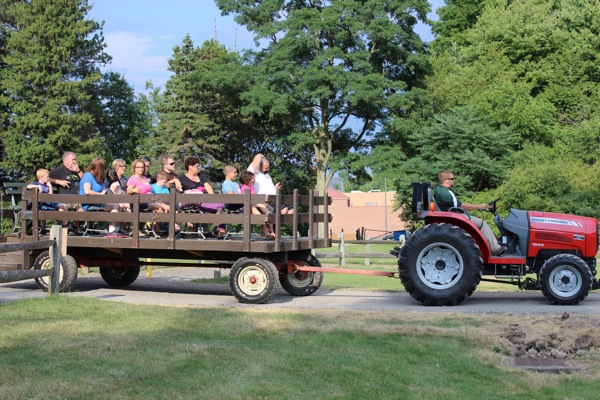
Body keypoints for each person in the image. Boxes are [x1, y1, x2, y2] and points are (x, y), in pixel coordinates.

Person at [433, 170, 506, 256]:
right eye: (452, 178)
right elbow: (461, 206)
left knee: (477, 221)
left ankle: (497, 243)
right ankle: (496, 249)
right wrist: (479, 206)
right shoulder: (445, 193)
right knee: (481, 223)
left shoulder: (441, 190)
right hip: (454, 216)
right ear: (446, 180)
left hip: (453, 214)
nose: (454, 180)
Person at [79, 157, 127, 237]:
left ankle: (117, 230)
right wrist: (101, 194)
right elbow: (87, 191)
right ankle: (111, 231)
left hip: (98, 202)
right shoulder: (88, 176)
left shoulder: (98, 178)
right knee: (115, 205)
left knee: (119, 205)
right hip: (90, 204)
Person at [178, 156, 224, 237]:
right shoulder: (182, 178)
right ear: (190, 167)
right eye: (197, 166)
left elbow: (208, 187)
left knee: (220, 203)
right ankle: (218, 228)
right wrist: (175, 180)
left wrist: (212, 198)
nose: (199, 167)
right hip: (192, 202)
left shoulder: (200, 175)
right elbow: (171, 185)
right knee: (209, 208)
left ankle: (218, 226)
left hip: (205, 200)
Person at [128, 159, 167, 235]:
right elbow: (128, 191)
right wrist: (134, 190)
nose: (141, 169)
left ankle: (151, 228)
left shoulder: (145, 178)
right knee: (160, 210)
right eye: (138, 167)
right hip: (140, 202)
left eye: (142, 167)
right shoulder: (133, 178)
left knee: (167, 208)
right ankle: (155, 229)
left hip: (151, 199)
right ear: (134, 168)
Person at [48, 151, 84, 232]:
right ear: (66, 160)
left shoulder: (78, 169)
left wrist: (78, 171)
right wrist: (58, 182)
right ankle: (66, 226)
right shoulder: (58, 170)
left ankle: (75, 225)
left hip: (78, 199)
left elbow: (86, 181)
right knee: (62, 207)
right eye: (73, 160)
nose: (75, 162)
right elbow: (47, 179)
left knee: (84, 209)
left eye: (75, 160)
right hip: (64, 199)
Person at [239, 169, 274, 237]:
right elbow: (247, 199)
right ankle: (266, 228)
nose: (253, 180)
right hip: (249, 204)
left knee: (269, 209)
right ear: (246, 179)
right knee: (260, 208)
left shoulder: (252, 188)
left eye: (254, 178)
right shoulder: (244, 188)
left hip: (255, 204)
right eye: (252, 178)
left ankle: (269, 219)